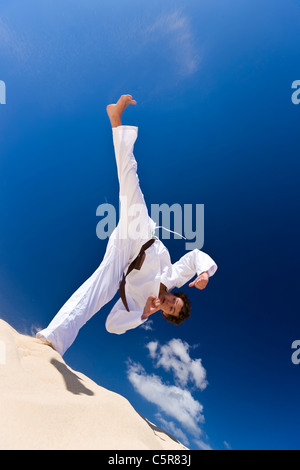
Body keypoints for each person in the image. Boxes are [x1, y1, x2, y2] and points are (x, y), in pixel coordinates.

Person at [36, 95, 218, 356]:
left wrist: (142, 315)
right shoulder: (173, 275)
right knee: (129, 178)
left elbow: (112, 325)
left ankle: (52, 338)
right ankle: (116, 120)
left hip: (124, 252)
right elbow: (195, 256)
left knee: (105, 284)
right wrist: (204, 273)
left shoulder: (138, 305)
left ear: (165, 315)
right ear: (179, 295)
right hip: (141, 231)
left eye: (169, 309)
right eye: (174, 301)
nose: (168, 303)